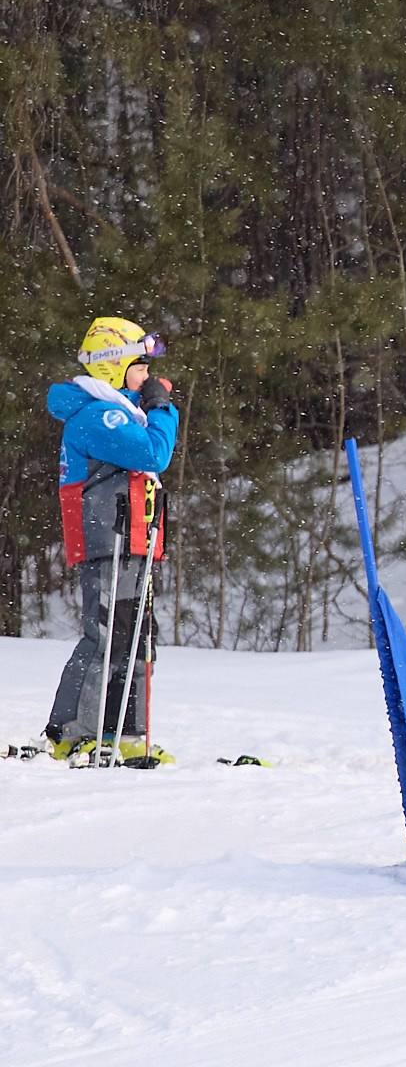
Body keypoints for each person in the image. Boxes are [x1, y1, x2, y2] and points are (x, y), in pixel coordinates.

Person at [43, 317, 179, 763]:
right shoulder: (99, 414)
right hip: (109, 539)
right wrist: (162, 410)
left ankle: (125, 731)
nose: (149, 377)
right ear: (113, 367)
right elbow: (152, 453)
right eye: (139, 367)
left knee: (136, 637)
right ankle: (74, 730)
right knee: (106, 636)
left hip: (133, 539)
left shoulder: (119, 410)